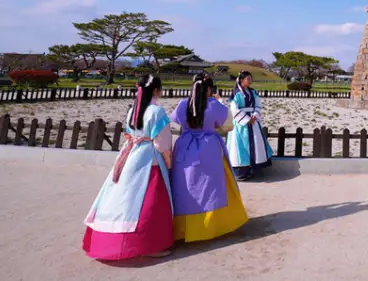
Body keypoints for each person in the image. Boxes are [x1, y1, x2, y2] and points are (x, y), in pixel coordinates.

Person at [82, 74, 174, 260]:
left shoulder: (133, 110)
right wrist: (168, 160)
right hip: (151, 158)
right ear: (156, 90)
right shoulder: (157, 111)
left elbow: (131, 134)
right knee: (151, 202)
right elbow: (162, 142)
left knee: (126, 196)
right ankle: (150, 245)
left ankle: (112, 239)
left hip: (133, 155)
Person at [170, 74, 248, 242]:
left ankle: (183, 226)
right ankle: (211, 226)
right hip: (208, 147)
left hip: (185, 145)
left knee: (184, 184)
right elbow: (228, 125)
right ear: (209, 89)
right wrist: (218, 104)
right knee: (212, 186)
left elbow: (175, 120)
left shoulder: (183, 104)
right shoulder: (213, 105)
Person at [226, 71, 273, 181]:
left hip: (253, 121)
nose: (250, 81)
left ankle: (252, 170)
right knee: (240, 146)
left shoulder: (253, 92)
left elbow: (258, 105)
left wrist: (254, 116)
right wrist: (247, 120)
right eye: (248, 79)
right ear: (241, 80)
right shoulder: (236, 93)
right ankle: (241, 172)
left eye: (251, 78)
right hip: (240, 124)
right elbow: (234, 109)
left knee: (256, 143)